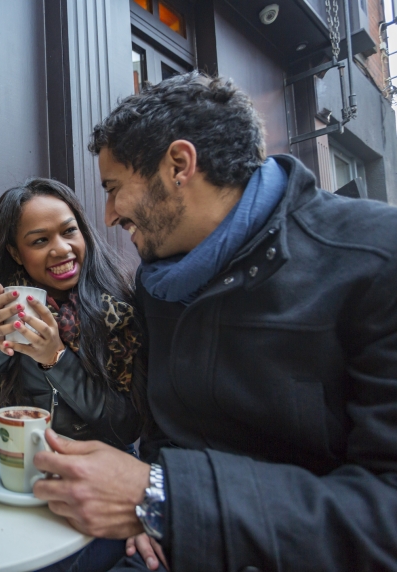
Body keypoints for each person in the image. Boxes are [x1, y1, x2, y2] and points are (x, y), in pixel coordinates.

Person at [32, 71, 397, 572]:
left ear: (179, 164)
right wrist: (155, 513)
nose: (109, 214)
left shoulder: (376, 257)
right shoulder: (155, 286)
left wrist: (165, 499)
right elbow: (162, 431)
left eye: (114, 188)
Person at [0, 177, 144, 449]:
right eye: (40, 240)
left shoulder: (120, 308)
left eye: (68, 232)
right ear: (16, 253)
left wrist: (55, 357)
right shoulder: (7, 304)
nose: (62, 249)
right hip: (19, 458)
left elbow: (126, 426)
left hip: (92, 469)